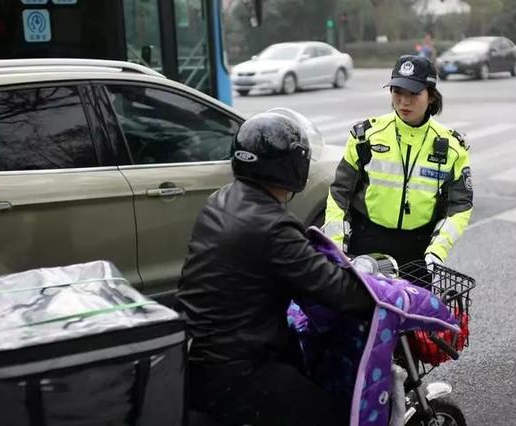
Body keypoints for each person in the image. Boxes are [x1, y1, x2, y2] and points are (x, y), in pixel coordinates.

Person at [176, 109, 375, 426]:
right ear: (294, 165)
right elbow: (336, 289)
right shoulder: (272, 226)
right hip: (239, 371)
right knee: (331, 417)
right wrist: (380, 298)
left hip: (198, 356)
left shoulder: (220, 200)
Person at [322, 55, 473, 270]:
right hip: (367, 245)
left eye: (414, 93)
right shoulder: (366, 136)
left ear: (431, 96)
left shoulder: (452, 147)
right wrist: (337, 247)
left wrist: (437, 250)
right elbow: (340, 194)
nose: (404, 101)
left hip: (419, 251)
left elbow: (460, 205)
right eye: (397, 92)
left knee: (414, 304)